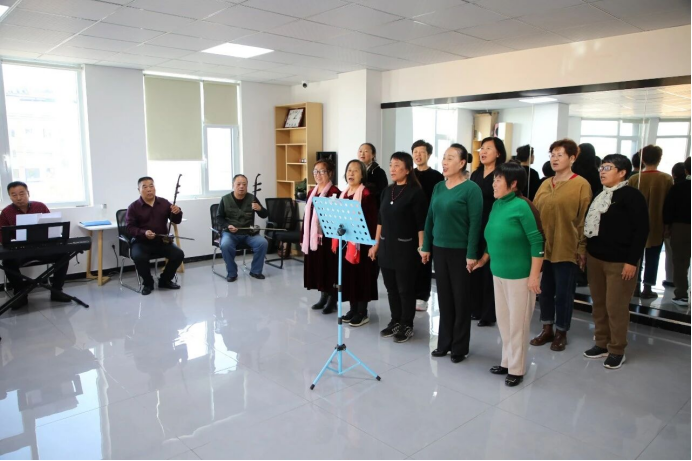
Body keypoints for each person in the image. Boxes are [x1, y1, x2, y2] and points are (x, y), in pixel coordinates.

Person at [475, 163, 544, 386]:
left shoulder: (522, 206)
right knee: (505, 322)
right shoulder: (497, 205)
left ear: (513, 184)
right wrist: (483, 259)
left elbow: (537, 242)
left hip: (520, 276)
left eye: (498, 180)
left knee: (518, 325)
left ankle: (517, 368)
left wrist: (534, 276)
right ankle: (506, 361)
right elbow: (492, 237)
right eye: (494, 179)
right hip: (499, 272)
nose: (493, 184)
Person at [583, 154, 649, 370]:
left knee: (616, 307)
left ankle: (617, 349)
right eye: (601, 167)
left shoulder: (632, 196)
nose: (602, 172)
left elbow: (641, 231)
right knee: (599, 304)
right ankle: (601, 343)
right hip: (596, 258)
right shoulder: (600, 194)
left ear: (622, 173)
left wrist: (632, 261)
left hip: (619, 262)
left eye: (608, 168)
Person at [421, 145, 483, 363]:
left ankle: (459, 347)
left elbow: (475, 224)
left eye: (450, 158)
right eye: (444, 158)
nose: (444, 162)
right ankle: (444, 343)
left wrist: (471, 253)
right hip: (440, 249)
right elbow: (430, 218)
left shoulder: (471, 189)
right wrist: (426, 246)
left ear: (462, 163)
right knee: (444, 298)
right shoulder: (439, 187)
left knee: (461, 299)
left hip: (461, 251)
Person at [531, 139, 592, 351]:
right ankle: (546, 328)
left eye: (560, 155)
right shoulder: (545, 183)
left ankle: (561, 331)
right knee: (545, 291)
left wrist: (581, 248)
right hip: (543, 248)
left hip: (567, 247)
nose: (554, 159)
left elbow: (584, 220)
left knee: (564, 293)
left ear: (572, 158)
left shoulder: (581, 184)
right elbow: (534, 214)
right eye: (552, 155)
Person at [369, 152, 427, 343]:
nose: (392, 169)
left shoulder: (415, 193)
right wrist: (375, 244)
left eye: (397, 165)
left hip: (406, 248)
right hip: (386, 247)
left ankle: (406, 324)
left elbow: (421, 223)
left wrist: (422, 247)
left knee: (405, 289)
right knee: (391, 288)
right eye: (391, 165)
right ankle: (395, 320)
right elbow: (380, 220)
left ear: (408, 169)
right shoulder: (387, 191)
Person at [0, 181, 73, 308]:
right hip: (19, 251)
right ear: (10, 196)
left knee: (64, 255)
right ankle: (20, 295)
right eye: (14, 195)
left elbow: (52, 227)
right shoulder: (6, 212)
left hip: (43, 249)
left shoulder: (40, 206)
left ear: (28, 193)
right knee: (8, 262)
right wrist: (10, 242)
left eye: (22, 193)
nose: (18, 198)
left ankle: (57, 291)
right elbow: (2, 235)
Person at [337, 160, 379, 327]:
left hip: (362, 244)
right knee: (349, 276)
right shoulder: (343, 193)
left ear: (362, 175)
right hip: (347, 242)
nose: (351, 173)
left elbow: (373, 221)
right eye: (349, 170)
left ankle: (362, 312)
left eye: (355, 170)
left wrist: (373, 244)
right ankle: (352, 309)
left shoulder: (367, 195)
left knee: (362, 277)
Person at [628, 145, 673, 299]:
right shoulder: (666, 179)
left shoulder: (634, 178)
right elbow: (669, 205)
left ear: (642, 159)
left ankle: (635, 285)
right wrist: (667, 226)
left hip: (635, 224)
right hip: (657, 223)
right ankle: (647, 287)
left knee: (636, 255)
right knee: (653, 256)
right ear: (659, 159)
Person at [125, 177, 184, 296]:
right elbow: (130, 227)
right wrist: (144, 233)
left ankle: (165, 280)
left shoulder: (164, 203)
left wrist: (177, 212)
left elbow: (176, 220)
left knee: (178, 254)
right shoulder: (133, 207)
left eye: (151, 186)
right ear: (139, 190)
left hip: (161, 241)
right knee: (139, 257)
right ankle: (148, 283)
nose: (149, 189)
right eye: (145, 187)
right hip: (141, 242)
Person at [470, 137, 506, 327]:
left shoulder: (502, 174)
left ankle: (489, 313)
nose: (483, 151)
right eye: (482, 148)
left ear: (498, 153)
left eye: (488, 148)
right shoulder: (475, 174)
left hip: (494, 223)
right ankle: (475, 308)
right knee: (475, 267)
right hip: (476, 224)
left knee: (490, 271)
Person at [303, 159, 341, 315]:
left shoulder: (334, 192)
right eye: (315, 171)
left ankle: (333, 299)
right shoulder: (311, 192)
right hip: (314, 238)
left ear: (330, 173)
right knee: (319, 268)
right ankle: (323, 296)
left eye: (322, 171)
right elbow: (307, 217)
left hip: (327, 238)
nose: (317, 174)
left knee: (329, 268)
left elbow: (335, 217)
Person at [216, 175, 270, 282]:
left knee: (263, 243)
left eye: (244, 184)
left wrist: (260, 209)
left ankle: (256, 271)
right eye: (239, 184)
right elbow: (219, 218)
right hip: (230, 233)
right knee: (225, 245)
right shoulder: (225, 199)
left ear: (247, 186)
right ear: (233, 185)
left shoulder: (252, 198)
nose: (241, 186)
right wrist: (228, 225)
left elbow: (264, 215)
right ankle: (232, 273)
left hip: (248, 233)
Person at [412, 139, 444, 312]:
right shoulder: (409, 174)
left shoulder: (437, 177)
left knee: (424, 259)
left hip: (427, 223)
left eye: (422, 152)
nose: (418, 155)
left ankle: (422, 296)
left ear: (429, 155)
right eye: (415, 152)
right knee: (410, 260)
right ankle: (410, 293)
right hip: (410, 224)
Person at [663, 157, 691, 306]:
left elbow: (669, 209)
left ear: (686, 170)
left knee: (680, 262)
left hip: (681, 227)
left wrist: (667, 227)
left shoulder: (678, 188)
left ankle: (681, 295)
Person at [358, 143, 388, 208]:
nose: (362, 154)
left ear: (373, 155)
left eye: (366, 151)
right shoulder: (356, 171)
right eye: (360, 151)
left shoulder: (379, 172)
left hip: (372, 208)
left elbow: (382, 194)